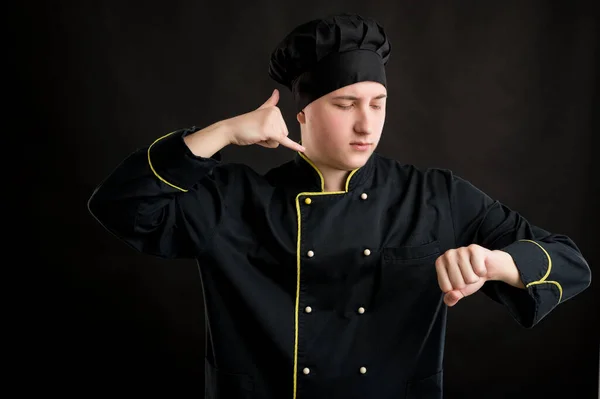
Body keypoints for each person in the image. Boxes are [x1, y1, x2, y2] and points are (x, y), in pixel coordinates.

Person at [87, 13, 591, 399]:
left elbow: (571, 263)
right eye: (345, 105)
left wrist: (498, 263)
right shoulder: (235, 201)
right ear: (301, 113)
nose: (366, 125)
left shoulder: (434, 196)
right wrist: (221, 134)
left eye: (378, 103)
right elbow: (121, 205)